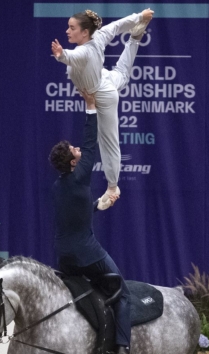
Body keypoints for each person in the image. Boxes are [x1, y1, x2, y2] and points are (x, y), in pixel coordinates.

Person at [48, 90, 131, 354]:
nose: (79, 149)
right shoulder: (81, 175)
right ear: (74, 162)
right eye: (75, 150)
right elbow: (90, 141)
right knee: (122, 292)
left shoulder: (58, 187)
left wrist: (99, 204)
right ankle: (122, 345)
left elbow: (75, 216)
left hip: (64, 257)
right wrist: (91, 106)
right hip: (87, 253)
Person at [51, 8, 154, 210]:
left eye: (72, 28)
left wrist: (61, 55)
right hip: (102, 79)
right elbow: (117, 26)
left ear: (85, 32)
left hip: (100, 95)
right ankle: (135, 37)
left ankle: (113, 187)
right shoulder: (98, 36)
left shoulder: (84, 51)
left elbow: (72, 56)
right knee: (122, 75)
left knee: (108, 142)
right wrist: (139, 17)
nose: (67, 31)